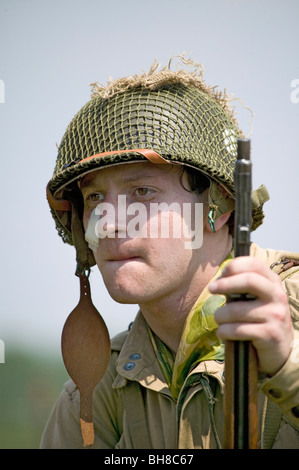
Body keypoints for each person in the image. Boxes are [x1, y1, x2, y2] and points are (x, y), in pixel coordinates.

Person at [41, 56, 299, 449]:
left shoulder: (291, 321)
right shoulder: (98, 387)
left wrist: (286, 367)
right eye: (94, 197)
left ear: (220, 204)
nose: (109, 221)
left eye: (142, 192)